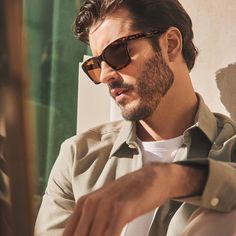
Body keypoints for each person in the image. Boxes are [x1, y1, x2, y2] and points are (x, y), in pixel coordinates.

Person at [35, 0, 236, 235]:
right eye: (96, 65)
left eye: (117, 52)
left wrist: (171, 179)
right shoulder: (78, 158)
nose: (105, 76)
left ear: (170, 44)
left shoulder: (229, 150)